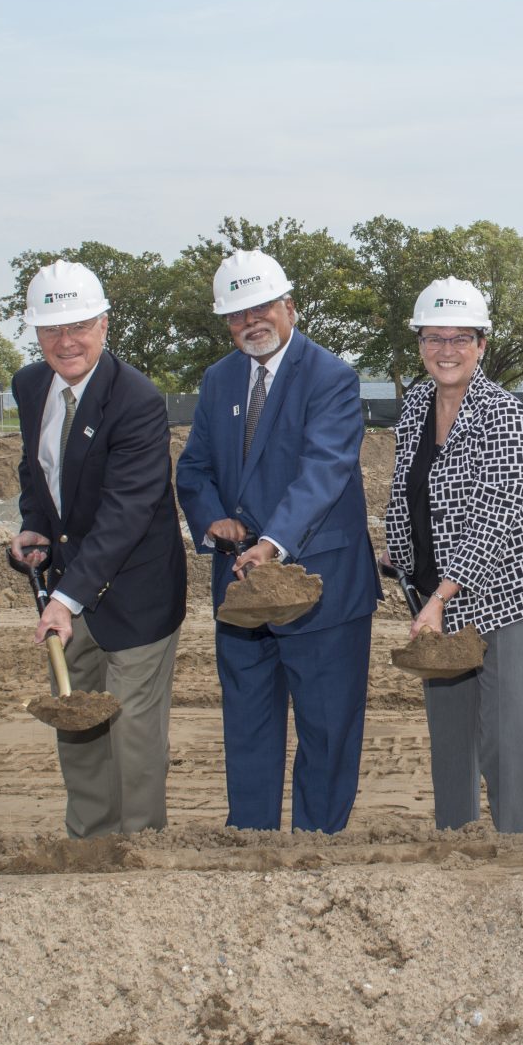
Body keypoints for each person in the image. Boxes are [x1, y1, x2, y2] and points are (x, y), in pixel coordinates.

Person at [175, 248, 379, 833]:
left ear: (290, 304)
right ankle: (253, 844)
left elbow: (324, 470)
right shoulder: (219, 380)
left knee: (326, 731)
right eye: (237, 314)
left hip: (321, 590)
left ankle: (315, 849)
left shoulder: (331, 377)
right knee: (248, 727)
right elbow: (193, 471)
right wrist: (213, 519)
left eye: (261, 306)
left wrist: (272, 544)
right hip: (241, 593)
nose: (250, 322)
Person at [9, 260, 187, 838]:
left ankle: (138, 848)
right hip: (69, 581)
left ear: (105, 324)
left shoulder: (136, 398)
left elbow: (127, 513)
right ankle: (90, 841)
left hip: (135, 589)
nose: (66, 341)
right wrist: (34, 522)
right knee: (77, 716)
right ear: (35, 334)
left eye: (79, 325)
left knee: (133, 729)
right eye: (51, 329)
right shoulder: (31, 385)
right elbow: (36, 470)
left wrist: (66, 597)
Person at [383, 278, 523, 834]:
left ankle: (514, 849)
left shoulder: (503, 415)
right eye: (434, 337)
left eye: (461, 338)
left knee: (506, 740)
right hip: (440, 597)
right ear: (420, 344)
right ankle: (455, 847)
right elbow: (406, 486)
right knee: (450, 740)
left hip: (507, 598)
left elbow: (496, 517)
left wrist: (438, 599)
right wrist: (401, 553)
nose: (447, 350)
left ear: (482, 344)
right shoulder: (415, 403)